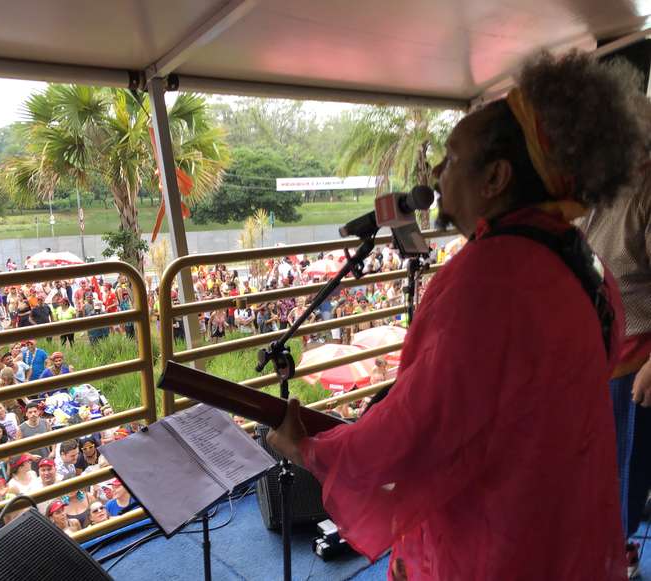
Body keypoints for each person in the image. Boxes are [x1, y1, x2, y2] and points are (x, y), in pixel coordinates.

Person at [267, 51, 644, 580]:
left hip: (499, 542)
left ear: (496, 176)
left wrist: (308, 451)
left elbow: (413, 432)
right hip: (563, 521)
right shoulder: (585, 262)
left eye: (452, 156)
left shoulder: (488, 277)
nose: (437, 173)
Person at [577, 96, 651, 576]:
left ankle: (615, 556)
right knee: (597, 476)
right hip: (600, 358)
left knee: (622, 481)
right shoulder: (604, 191)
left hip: (637, 364)